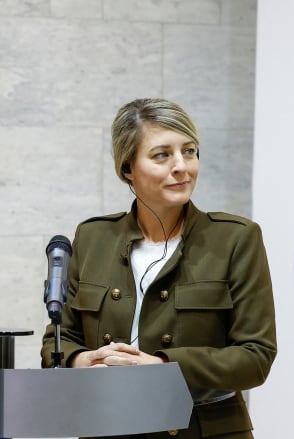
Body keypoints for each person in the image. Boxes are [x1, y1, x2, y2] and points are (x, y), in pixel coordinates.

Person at [41, 98, 277, 438]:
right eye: (162, 155)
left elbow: (256, 357)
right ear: (127, 168)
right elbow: (57, 341)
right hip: (107, 426)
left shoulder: (236, 239)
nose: (181, 166)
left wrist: (163, 366)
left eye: (190, 151)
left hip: (203, 429)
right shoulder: (93, 237)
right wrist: (83, 361)